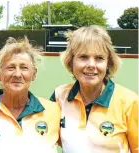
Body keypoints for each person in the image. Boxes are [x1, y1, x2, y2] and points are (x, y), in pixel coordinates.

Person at [50, 25, 138, 153]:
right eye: (83, 57)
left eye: (99, 58)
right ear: (71, 61)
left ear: (108, 63)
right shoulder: (59, 96)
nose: (91, 65)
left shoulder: (130, 102)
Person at [0, 37, 60, 153]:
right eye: (11, 67)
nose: (17, 74)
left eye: (24, 68)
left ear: (33, 74)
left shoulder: (54, 110)